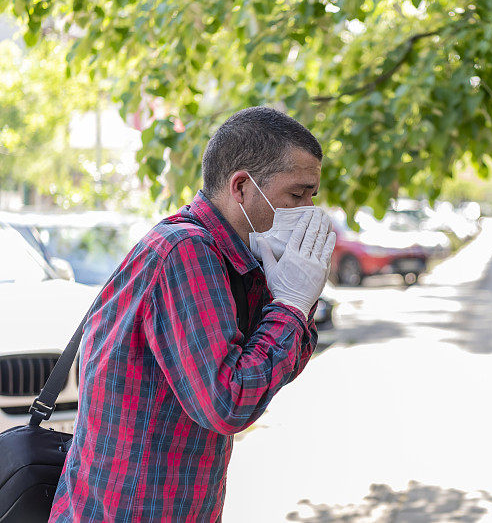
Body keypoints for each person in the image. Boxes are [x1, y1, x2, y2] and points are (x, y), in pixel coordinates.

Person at [49, 107, 335, 522]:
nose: (308, 210)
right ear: (242, 187)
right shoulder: (186, 251)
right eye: (297, 195)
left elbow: (271, 368)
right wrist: (289, 305)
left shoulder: (230, 259)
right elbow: (230, 402)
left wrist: (288, 301)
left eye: (312, 196)